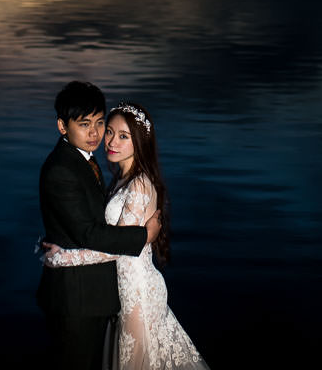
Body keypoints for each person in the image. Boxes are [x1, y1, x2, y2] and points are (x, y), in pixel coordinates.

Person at [43, 100, 209, 370]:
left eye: (123, 136)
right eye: (109, 131)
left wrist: (64, 258)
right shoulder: (120, 179)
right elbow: (106, 235)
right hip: (121, 289)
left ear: (139, 143)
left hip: (137, 291)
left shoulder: (140, 184)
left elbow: (117, 247)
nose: (111, 141)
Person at [38, 81, 161, 370]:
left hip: (99, 295)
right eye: (84, 124)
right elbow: (87, 233)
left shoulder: (88, 163)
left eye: (99, 123)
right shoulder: (62, 169)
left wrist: (62, 256)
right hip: (77, 300)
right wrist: (144, 236)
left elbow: (86, 227)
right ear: (62, 126)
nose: (95, 134)